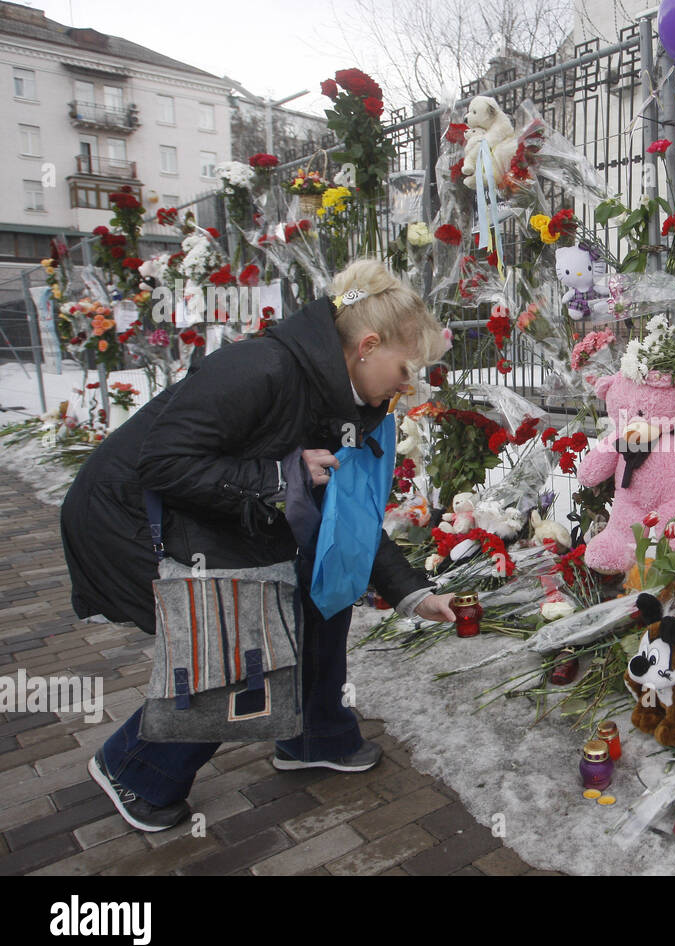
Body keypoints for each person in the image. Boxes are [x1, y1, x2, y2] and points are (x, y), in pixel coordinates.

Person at [60, 258, 458, 832]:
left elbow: (342, 521)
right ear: (368, 345)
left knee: (321, 585)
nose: (409, 386)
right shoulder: (264, 367)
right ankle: (134, 767)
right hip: (129, 517)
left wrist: (412, 593)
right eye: (406, 368)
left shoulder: (342, 395)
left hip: (208, 512)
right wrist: (279, 477)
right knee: (242, 639)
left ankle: (312, 735)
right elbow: (166, 462)